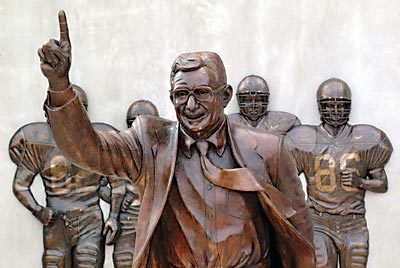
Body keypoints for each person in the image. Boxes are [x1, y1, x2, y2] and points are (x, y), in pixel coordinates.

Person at [38, 11, 315, 267]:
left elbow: (298, 226)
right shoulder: (150, 143)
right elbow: (89, 150)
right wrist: (60, 86)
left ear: (226, 95)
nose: (191, 105)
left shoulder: (268, 149)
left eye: (202, 92)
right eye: (181, 95)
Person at [9, 85, 123, 268]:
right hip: (56, 224)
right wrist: (38, 211)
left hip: (89, 222)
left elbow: (118, 184)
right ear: (48, 113)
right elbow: (20, 186)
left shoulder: (102, 141)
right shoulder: (39, 143)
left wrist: (114, 217)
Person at [284, 78, 393, 268]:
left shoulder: (367, 138)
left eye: (341, 105)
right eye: (329, 105)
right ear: (320, 106)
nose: (335, 110)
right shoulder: (303, 139)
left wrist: (360, 182)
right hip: (319, 222)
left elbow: (382, 184)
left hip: (354, 223)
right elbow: (287, 183)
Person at [100, 100, 160, 268]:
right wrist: (118, 204)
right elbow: (101, 186)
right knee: (124, 261)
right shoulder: (119, 152)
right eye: (133, 123)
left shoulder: (165, 151)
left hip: (155, 219)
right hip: (127, 219)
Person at [229, 75, 300, 135]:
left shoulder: (284, 120)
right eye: (248, 100)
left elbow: (299, 134)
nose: (253, 105)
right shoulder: (229, 122)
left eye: (258, 100)